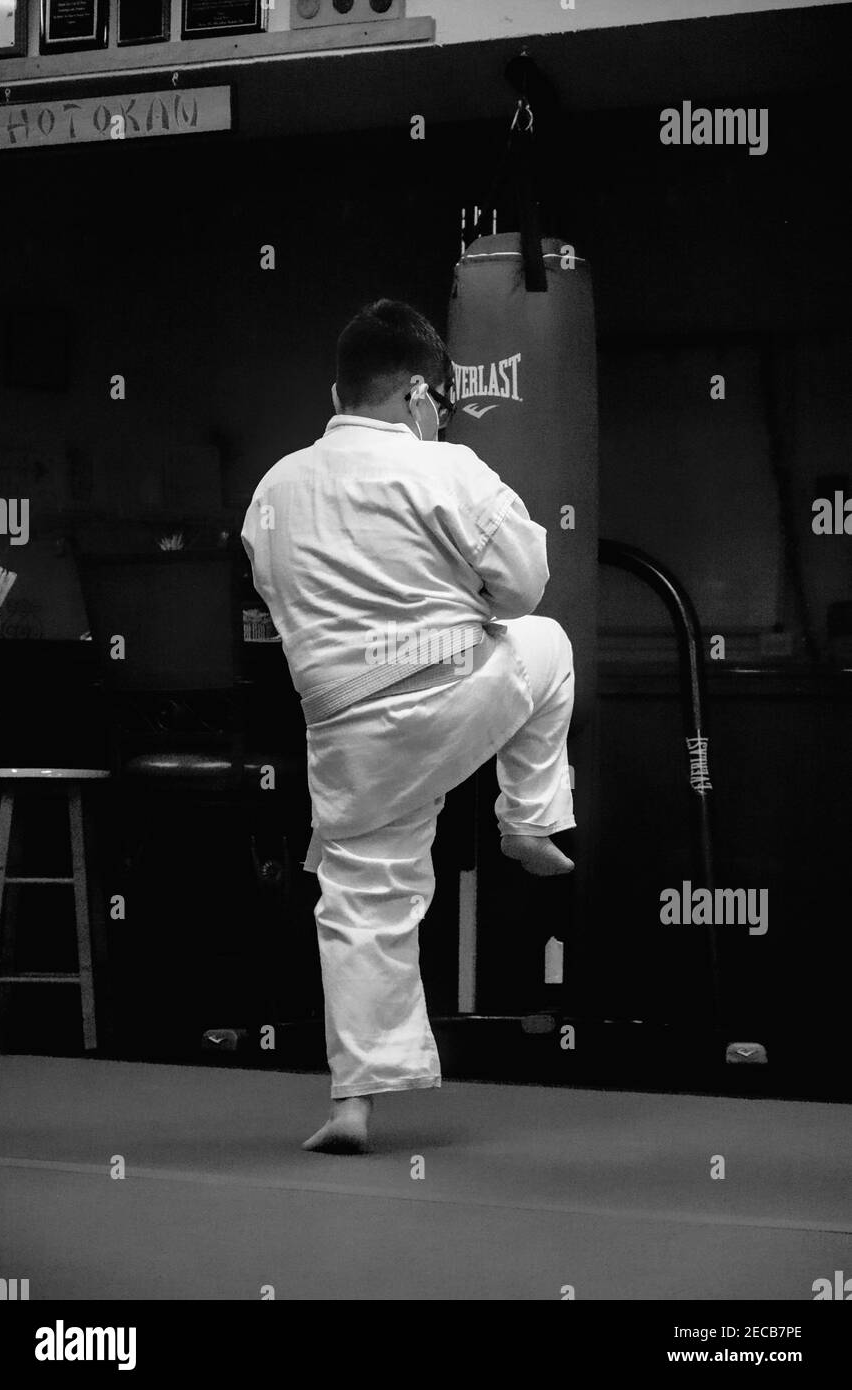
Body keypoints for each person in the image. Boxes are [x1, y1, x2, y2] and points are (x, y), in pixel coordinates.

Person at [242, 300, 575, 1153]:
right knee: (546, 642)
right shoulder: (447, 467)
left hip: (348, 737)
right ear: (421, 393)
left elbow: (287, 603)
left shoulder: (273, 489)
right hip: (454, 695)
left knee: (361, 901)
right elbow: (523, 587)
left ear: (338, 391)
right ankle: (529, 822)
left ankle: (353, 1101)